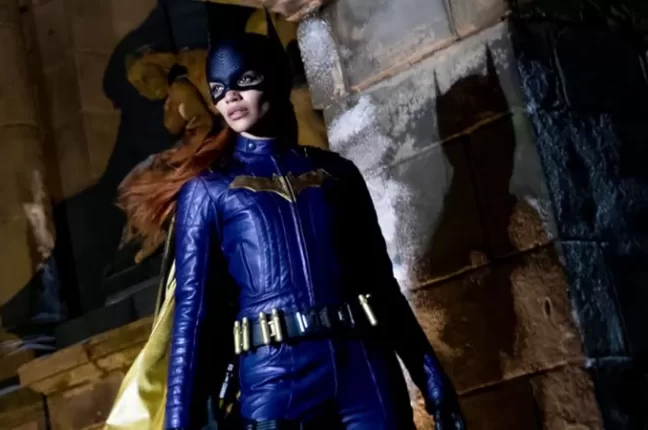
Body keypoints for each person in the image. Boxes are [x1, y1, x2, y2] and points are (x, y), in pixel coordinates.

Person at [120, 21, 466, 430]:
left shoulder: (337, 173)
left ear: (275, 79)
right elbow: (192, 319)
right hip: (275, 381)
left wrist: (435, 384)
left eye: (244, 80)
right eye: (217, 89)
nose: (230, 96)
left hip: (364, 369)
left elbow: (381, 286)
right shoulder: (208, 191)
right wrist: (179, 424)